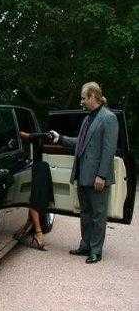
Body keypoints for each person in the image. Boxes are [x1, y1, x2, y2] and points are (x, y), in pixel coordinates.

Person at [49, 82, 118, 264]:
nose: (81, 101)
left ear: (93, 96)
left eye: (83, 98)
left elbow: (109, 150)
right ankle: (85, 246)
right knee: (86, 214)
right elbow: (79, 143)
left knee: (98, 215)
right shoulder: (88, 118)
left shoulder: (108, 118)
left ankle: (96, 251)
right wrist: (60, 138)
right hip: (82, 175)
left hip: (97, 178)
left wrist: (102, 175)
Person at [13, 132, 54, 250]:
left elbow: (22, 135)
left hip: (39, 169)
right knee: (38, 200)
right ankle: (27, 227)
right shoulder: (45, 137)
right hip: (43, 169)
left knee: (34, 201)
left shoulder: (37, 136)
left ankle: (38, 234)